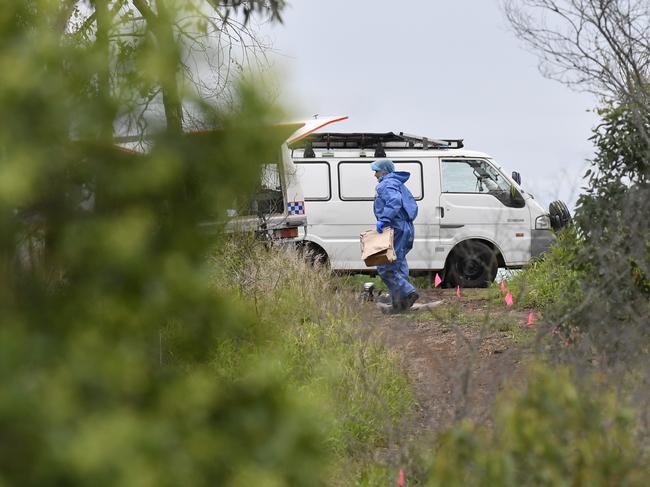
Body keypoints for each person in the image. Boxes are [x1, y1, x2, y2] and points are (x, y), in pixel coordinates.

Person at [371, 159, 419, 311]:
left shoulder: (386, 183)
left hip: (396, 228)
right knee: (399, 264)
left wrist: (384, 220)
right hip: (405, 227)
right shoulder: (399, 183)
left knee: (386, 267)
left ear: (384, 171)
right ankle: (399, 305)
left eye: (376, 171)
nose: (375, 175)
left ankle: (408, 292)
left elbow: (394, 200)